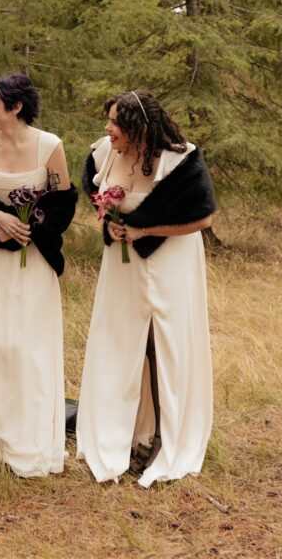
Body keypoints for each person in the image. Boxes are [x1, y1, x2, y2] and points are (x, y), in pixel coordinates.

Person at [76, 90, 216, 488]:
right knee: (122, 341)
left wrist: (143, 229)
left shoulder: (179, 158)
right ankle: (122, 430)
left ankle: (166, 437)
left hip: (170, 263)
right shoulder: (104, 152)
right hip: (122, 267)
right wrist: (111, 224)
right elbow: (94, 193)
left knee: (162, 343)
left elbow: (202, 218)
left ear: (139, 127)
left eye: (116, 123)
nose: (108, 129)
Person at [0, 73, 78, 477]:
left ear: (15, 107)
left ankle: (32, 440)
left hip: (35, 256)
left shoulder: (50, 146)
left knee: (29, 343)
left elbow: (63, 202)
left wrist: (28, 232)